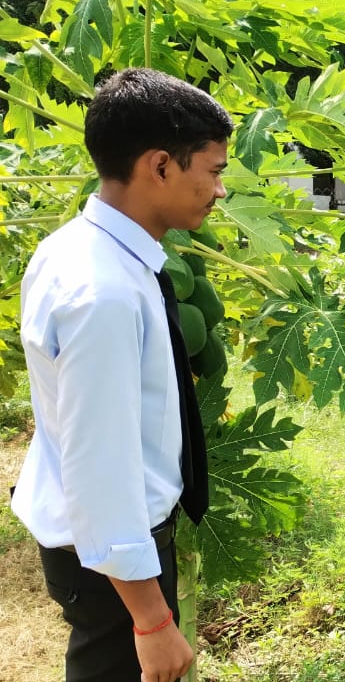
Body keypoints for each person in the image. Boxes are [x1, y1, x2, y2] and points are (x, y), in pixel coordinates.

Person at [10, 68, 231, 682]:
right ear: (160, 166)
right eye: (212, 171)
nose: (219, 190)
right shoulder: (102, 291)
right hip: (111, 556)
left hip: (105, 546)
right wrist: (153, 620)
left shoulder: (84, 251)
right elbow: (100, 466)